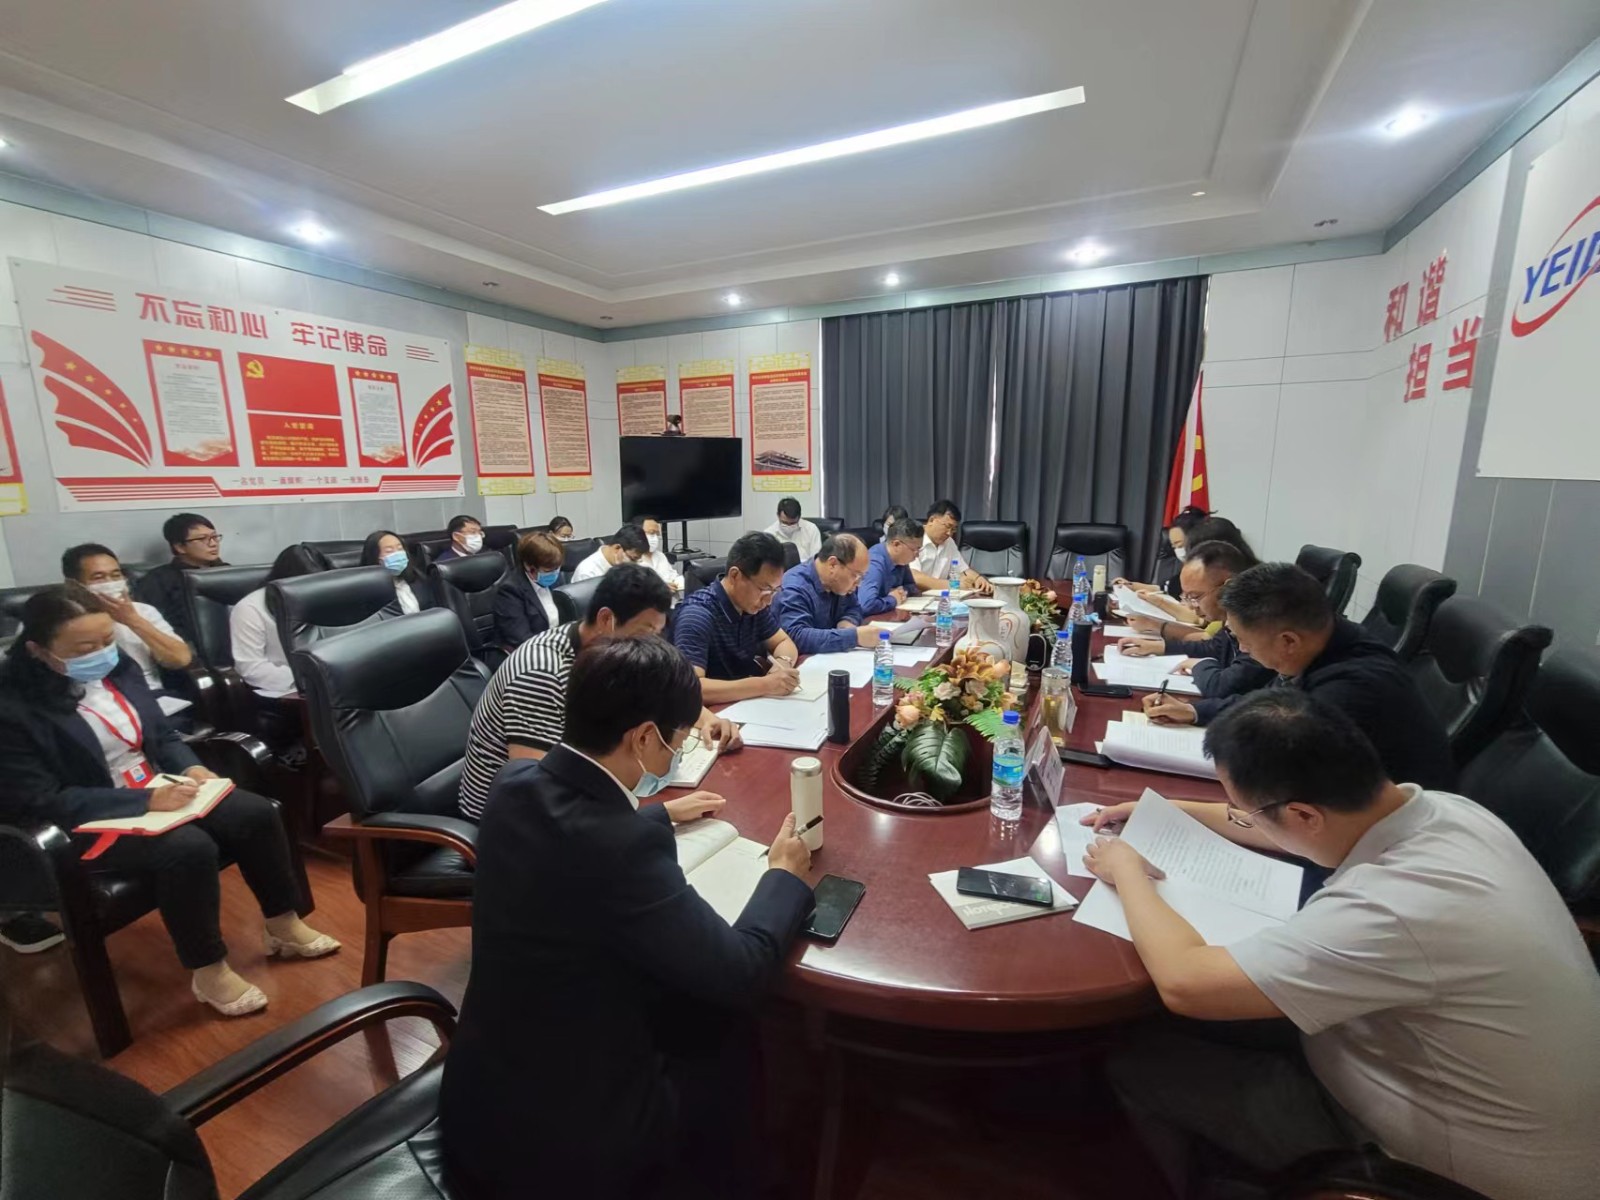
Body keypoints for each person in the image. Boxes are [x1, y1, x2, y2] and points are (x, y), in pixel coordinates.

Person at [1082, 690, 1600, 1200]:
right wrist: (1168, 811)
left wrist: (1127, 870)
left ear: (1305, 815)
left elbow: (1185, 982)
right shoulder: (1448, 810)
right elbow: (1286, 827)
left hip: (1437, 1172)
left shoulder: (1393, 909)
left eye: (1247, 810)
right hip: (1476, 1088)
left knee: (1141, 1060)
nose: (1243, 816)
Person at [441, 636, 814, 1199]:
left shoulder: (513, 786)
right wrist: (783, 875)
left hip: (480, 1098)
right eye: (677, 741)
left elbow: (573, 833)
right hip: (566, 1145)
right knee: (723, 1017)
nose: (677, 754)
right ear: (642, 737)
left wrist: (658, 815)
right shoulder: (620, 849)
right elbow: (741, 971)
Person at [0, 587, 338, 1016]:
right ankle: (209, 969)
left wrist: (193, 768)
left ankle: (282, 924)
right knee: (187, 848)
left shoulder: (119, 667)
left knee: (253, 812)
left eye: (107, 640)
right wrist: (144, 802)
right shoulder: (12, 709)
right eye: (84, 648)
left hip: (155, 787)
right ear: (38, 650)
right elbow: (40, 798)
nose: (101, 653)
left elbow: (161, 736)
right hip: (86, 817)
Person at [1143, 562, 1456, 791]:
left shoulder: (1346, 692)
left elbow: (1285, 781)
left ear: (1288, 641)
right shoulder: (1330, 642)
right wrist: (1195, 711)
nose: (1243, 650)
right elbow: (1270, 700)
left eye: (1244, 641)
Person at [460, 565, 740, 820]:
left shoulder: (609, 655)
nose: (652, 644)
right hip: (506, 823)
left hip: (574, 795)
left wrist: (707, 719)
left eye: (658, 633)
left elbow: (662, 690)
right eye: (646, 632)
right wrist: (655, 816)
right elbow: (537, 795)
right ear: (607, 619)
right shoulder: (541, 673)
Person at [1120, 540, 1273, 716]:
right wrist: (1158, 647)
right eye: (1186, 597)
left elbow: (1223, 687)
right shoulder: (1230, 618)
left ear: (1226, 588)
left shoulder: (1259, 622)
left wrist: (1199, 665)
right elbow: (1214, 647)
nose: (1192, 607)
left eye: (1195, 597)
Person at [62, 543, 194, 719]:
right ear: (75, 585)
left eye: (116, 575)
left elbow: (180, 659)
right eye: (98, 577)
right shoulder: (59, 621)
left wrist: (133, 620)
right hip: (91, 706)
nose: (110, 583)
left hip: (149, 697)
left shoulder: (143, 612)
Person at [670, 532, 801, 704]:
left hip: (745, 703)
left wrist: (782, 664)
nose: (769, 601)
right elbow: (692, 688)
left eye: (774, 591)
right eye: (764, 589)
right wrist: (764, 685)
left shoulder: (753, 606)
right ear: (735, 576)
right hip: (713, 713)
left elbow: (783, 641)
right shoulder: (696, 616)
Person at [229, 545, 328, 747]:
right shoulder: (250, 608)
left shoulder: (326, 598)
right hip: (283, 690)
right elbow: (251, 667)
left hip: (327, 682)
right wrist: (307, 679)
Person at [132, 512, 229, 645]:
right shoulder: (158, 580)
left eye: (214, 537)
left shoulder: (228, 572)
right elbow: (154, 625)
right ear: (180, 547)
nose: (213, 544)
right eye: (202, 539)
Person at [774, 534, 881, 654]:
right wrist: (854, 637)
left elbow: (854, 607)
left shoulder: (842, 583)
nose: (859, 583)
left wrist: (847, 621)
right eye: (856, 575)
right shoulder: (795, 586)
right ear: (833, 564)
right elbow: (797, 636)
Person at [1116, 504, 1211, 600]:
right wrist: (1130, 585)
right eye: (1174, 547)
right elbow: (1163, 588)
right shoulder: (1185, 572)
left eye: (1180, 545)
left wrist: (1160, 603)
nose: (1178, 551)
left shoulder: (1210, 573)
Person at [492, 531, 564, 651]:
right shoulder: (510, 591)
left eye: (557, 568)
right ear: (528, 566)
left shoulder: (556, 579)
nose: (554, 573)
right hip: (529, 652)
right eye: (548, 570)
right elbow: (521, 639)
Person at [913, 499, 991, 594]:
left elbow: (963, 570)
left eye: (953, 529)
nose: (949, 533)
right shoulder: (914, 538)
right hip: (917, 597)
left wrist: (978, 578)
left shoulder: (949, 542)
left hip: (942, 597)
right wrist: (954, 585)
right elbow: (916, 578)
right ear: (931, 520)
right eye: (947, 526)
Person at [359, 530, 438, 615]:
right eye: (389, 551)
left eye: (400, 549)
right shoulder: (365, 591)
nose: (397, 554)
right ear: (374, 556)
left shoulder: (418, 578)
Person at [857, 517, 923, 616]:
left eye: (919, 549)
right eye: (914, 550)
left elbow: (912, 588)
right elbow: (866, 605)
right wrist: (893, 599)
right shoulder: (875, 563)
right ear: (896, 544)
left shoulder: (901, 561)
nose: (917, 555)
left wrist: (901, 592)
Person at [572, 524, 650, 582]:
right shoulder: (588, 573)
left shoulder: (622, 564)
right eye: (633, 559)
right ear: (617, 548)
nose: (635, 564)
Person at [765, 497, 822, 563]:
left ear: (799, 517)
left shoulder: (811, 529)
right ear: (778, 516)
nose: (788, 526)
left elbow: (817, 559)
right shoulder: (769, 534)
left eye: (793, 523)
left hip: (806, 568)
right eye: (785, 523)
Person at [637, 515, 684, 591]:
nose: (655, 538)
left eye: (657, 534)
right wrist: (660, 588)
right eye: (651, 533)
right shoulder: (632, 560)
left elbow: (673, 577)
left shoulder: (660, 556)